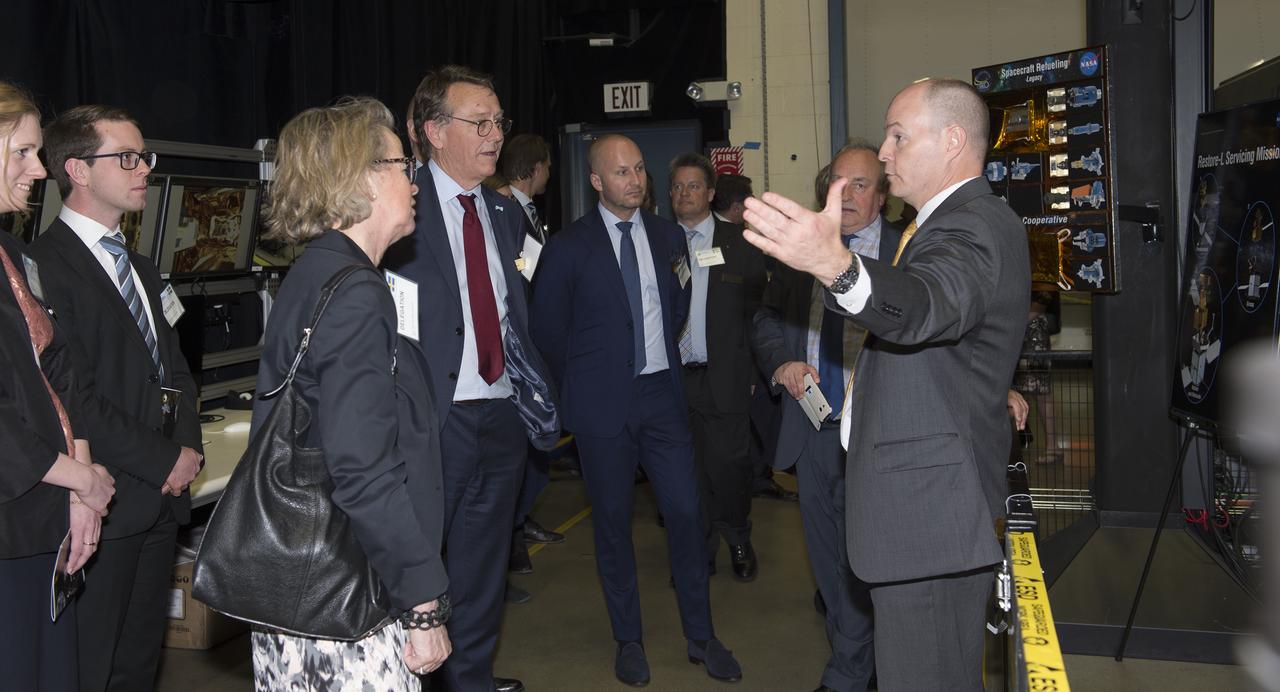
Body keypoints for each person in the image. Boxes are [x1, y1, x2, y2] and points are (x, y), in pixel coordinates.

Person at [742, 79, 1030, 690]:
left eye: (900, 136)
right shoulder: (942, 223)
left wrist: (834, 266)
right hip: (929, 514)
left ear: (953, 140)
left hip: (931, 521)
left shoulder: (972, 224)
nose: (887, 152)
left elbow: (926, 303)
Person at [248, 96, 450, 689]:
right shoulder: (355, 293)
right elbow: (363, 469)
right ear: (360, 179)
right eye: (401, 164)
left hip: (315, 585)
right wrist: (422, 602)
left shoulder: (321, 272)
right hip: (348, 594)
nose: (413, 180)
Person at [530, 134, 742, 686]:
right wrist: (583, 385)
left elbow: (673, 305)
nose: (636, 180)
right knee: (614, 527)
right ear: (597, 181)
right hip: (602, 409)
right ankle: (629, 639)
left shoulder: (669, 236)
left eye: (640, 169)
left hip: (660, 399)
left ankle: (701, 635)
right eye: (621, 172)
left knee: (688, 514)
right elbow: (548, 332)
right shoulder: (569, 248)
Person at [384, 65, 556, 692]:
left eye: (498, 122)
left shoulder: (506, 215)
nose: (494, 135)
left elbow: (514, 312)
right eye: (478, 123)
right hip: (434, 419)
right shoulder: (399, 205)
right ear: (433, 131)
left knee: (483, 575)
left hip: (500, 415)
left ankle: (472, 681)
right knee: (421, 575)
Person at [32, 105, 204, 692]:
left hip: (160, 501)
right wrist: (162, 460)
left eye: (144, 157)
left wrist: (187, 447)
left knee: (136, 667)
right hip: (103, 503)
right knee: (90, 668)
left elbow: (176, 369)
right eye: (126, 157)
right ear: (77, 170)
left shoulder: (143, 268)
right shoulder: (42, 268)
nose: (143, 170)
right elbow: (71, 396)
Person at [752, 140, 902, 692]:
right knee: (828, 562)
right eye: (838, 182)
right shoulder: (801, 252)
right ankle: (852, 665)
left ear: (883, 196)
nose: (847, 194)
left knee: (871, 563)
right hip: (813, 427)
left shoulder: (905, 253)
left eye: (861, 183)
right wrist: (783, 363)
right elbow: (766, 319)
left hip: (878, 437)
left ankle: (862, 669)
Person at [0, 81, 116, 692]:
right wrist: (84, 480)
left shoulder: (13, 255)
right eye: (21, 153)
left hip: (48, 519)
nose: (38, 171)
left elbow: (60, 370)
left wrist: (82, 489)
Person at [668, 152, 767, 581]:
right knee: (685, 473)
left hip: (725, 377)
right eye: (678, 187)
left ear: (710, 193)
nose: (685, 194)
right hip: (672, 382)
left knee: (730, 468)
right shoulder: (655, 241)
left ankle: (738, 536)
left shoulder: (741, 243)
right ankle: (700, 547)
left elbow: (759, 314)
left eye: (694, 186)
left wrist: (754, 371)